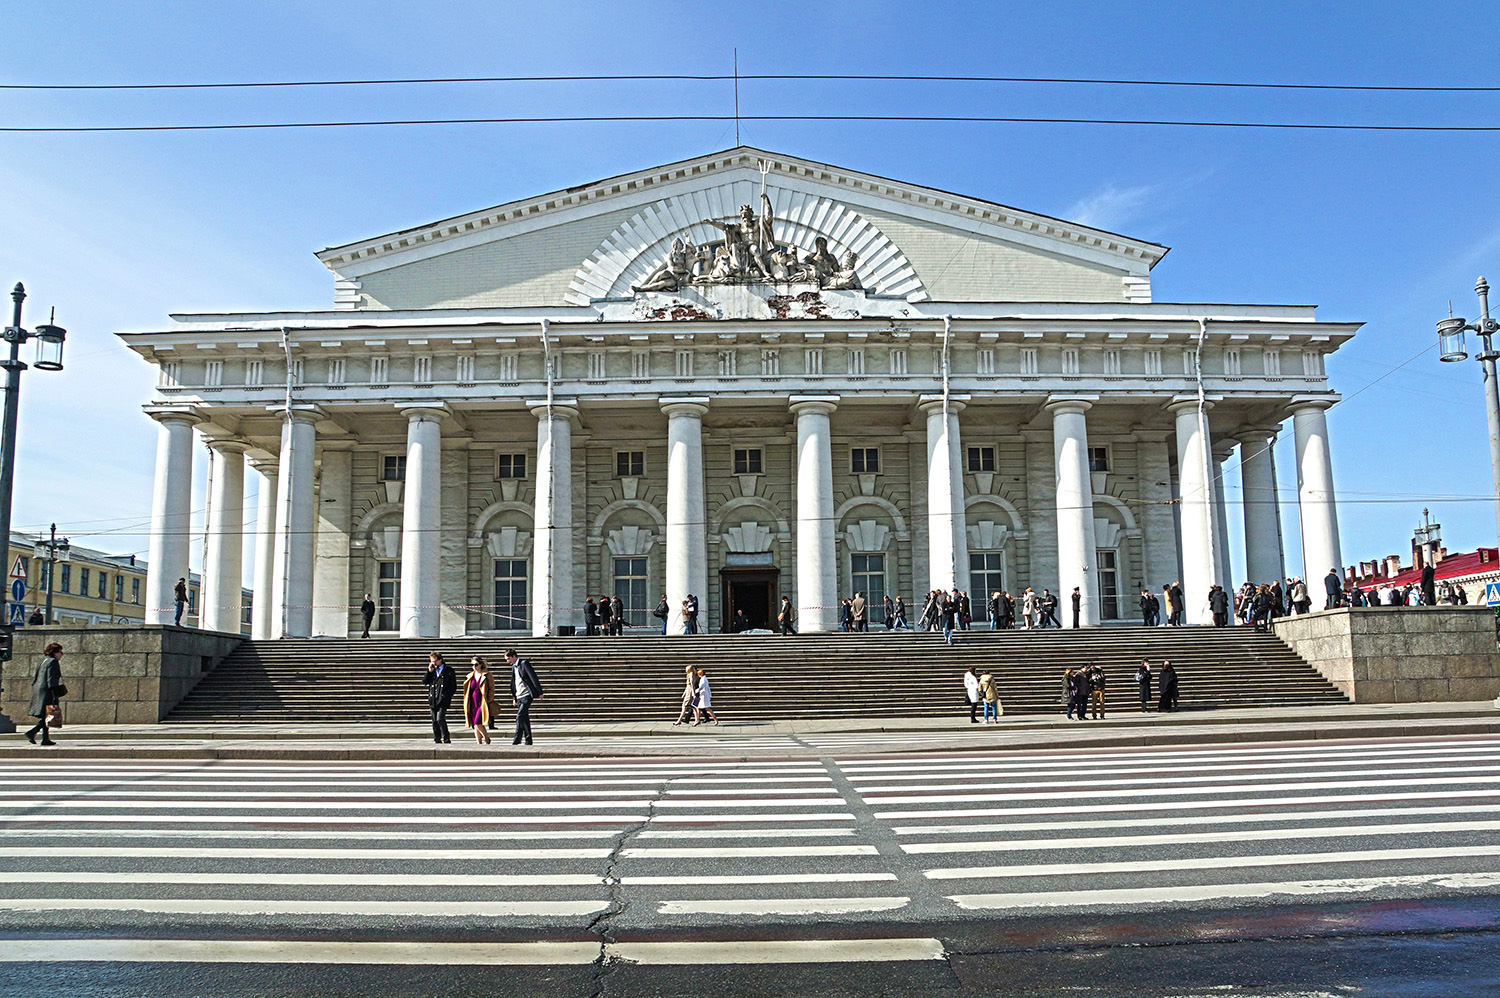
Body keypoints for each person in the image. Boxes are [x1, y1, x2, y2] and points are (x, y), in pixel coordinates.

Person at [23, 642, 64, 746]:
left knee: (46, 714)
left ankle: (45, 738)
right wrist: (55, 695)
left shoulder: (43, 660)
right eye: (60, 652)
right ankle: (32, 732)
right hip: (47, 690)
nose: (61, 654)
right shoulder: (53, 661)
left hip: (38, 690)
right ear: (55, 652)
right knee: (48, 714)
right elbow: (51, 679)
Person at [505, 647, 544, 745]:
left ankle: (517, 739)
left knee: (520, 716)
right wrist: (514, 697)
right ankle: (528, 740)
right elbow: (514, 683)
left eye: (508, 659)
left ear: (513, 656)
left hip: (527, 694)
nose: (507, 661)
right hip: (519, 696)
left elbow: (533, 677)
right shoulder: (514, 667)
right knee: (525, 719)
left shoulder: (524, 664)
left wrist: (539, 692)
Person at [421, 651, 457, 744]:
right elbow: (425, 681)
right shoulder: (432, 671)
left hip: (443, 699)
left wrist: (447, 696)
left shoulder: (448, 670)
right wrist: (429, 671)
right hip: (433, 698)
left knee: (440, 718)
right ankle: (437, 738)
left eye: (435, 661)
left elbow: (453, 686)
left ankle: (446, 736)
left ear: (440, 660)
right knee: (434, 721)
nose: (433, 663)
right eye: (431, 661)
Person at [463, 657, 496, 745]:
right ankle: (479, 742)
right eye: (472, 665)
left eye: (476, 664)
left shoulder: (487, 675)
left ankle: (486, 739)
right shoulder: (470, 675)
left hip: (482, 701)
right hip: (472, 701)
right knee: (474, 724)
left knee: (478, 722)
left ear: (481, 664)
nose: (474, 667)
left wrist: (489, 699)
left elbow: (492, 688)